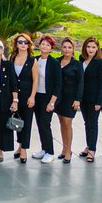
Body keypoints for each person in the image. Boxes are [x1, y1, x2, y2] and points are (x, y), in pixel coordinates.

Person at [30, 36, 62, 164]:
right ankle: (44, 149)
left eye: (47, 45)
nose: (44, 46)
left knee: (45, 124)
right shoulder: (35, 60)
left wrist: (52, 102)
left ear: (51, 49)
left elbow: (58, 84)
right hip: (36, 96)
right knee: (39, 124)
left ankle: (50, 152)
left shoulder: (54, 63)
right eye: (43, 44)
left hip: (48, 98)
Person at [9, 34, 39, 164]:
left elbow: (36, 80)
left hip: (27, 95)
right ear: (16, 44)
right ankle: (19, 145)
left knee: (26, 123)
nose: (22, 44)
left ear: (29, 45)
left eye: (25, 42)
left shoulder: (32, 60)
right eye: (20, 42)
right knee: (17, 122)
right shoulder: (12, 58)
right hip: (15, 96)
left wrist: (32, 96)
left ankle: (24, 149)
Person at [55, 38, 84, 164]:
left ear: (73, 49)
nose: (67, 49)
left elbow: (80, 83)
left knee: (67, 123)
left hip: (71, 98)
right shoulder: (56, 62)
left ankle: (69, 150)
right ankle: (64, 147)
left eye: (69, 47)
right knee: (61, 122)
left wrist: (78, 99)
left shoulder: (77, 65)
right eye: (65, 47)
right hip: (58, 98)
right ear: (61, 48)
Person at [78, 38, 102, 163]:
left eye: (93, 47)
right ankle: (88, 145)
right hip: (83, 98)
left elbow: (101, 84)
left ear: (97, 49)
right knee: (86, 123)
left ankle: (92, 150)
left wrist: (99, 102)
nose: (91, 49)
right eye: (88, 46)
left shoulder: (100, 63)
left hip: (94, 98)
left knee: (93, 124)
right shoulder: (81, 59)